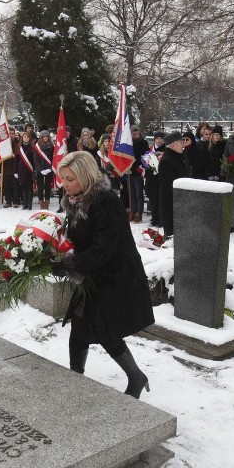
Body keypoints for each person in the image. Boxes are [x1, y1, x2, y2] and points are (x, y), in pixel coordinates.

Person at [54, 151, 154, 399]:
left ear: (85, 177)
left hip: (116, 276)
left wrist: (69, 264)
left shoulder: (106, 201)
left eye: (69, 179)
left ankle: (136, 377)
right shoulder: (75, 199)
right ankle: (76, 377)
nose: (64, 185)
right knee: (80, 325)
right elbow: (78, 240)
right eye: (63, 179)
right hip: (93, 274)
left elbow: (102, 248)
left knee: (105, 329)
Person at [157, 132, 190, 238]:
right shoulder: (166, 161)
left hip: (179, 205)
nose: (183, 145)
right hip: (171, 206)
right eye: (181, 142)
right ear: (173, 144)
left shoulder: (177, 156)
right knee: (172, 239)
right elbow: (171, 186)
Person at [128, 126, 150, 222]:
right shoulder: (128, 143)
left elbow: (145, 156)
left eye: (137, 134)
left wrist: (135, 164)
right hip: (130, 170)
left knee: (139, 193)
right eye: (134, 134)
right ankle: (133, 210)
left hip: (138, 170)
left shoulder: (143, 143)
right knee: (132, 193)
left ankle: (139, 213)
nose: (136, 136)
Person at [145, 130, 166, 226]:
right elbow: (145, 163)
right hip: (151, 178)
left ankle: (160, 220)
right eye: (157, 138)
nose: (159, 140)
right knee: (153, 199)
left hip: (161, 178)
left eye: (161, 138)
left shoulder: (166, 150)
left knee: (160, 199)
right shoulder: (150, 149)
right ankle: (154, 219)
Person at [33, 129, 55, 210]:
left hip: (49, 170)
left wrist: (50, 168)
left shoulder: (52, 146)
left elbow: (53, 158)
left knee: (48, 187)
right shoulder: (37, 147)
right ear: (41, 137)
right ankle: (41, 203)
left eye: (47, 136)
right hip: (40, 170)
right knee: (40, 187)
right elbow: (36, 159)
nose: (45, 138)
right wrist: (41, 170)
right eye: (44, 136)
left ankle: (47, 204)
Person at [16, 130, 35, 209]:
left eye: (27, 137)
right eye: (24, 136)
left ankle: (29, 204)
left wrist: (34, 171)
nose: (26, 138)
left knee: (29, 187)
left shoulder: (32, 148)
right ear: (22, 138)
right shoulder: (18, 147)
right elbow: (16, 160)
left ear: (29, 138)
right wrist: (15, 172)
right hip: (21, 170)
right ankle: (25, 204)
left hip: (29, 170)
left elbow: (34, 160)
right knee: (23, 187)